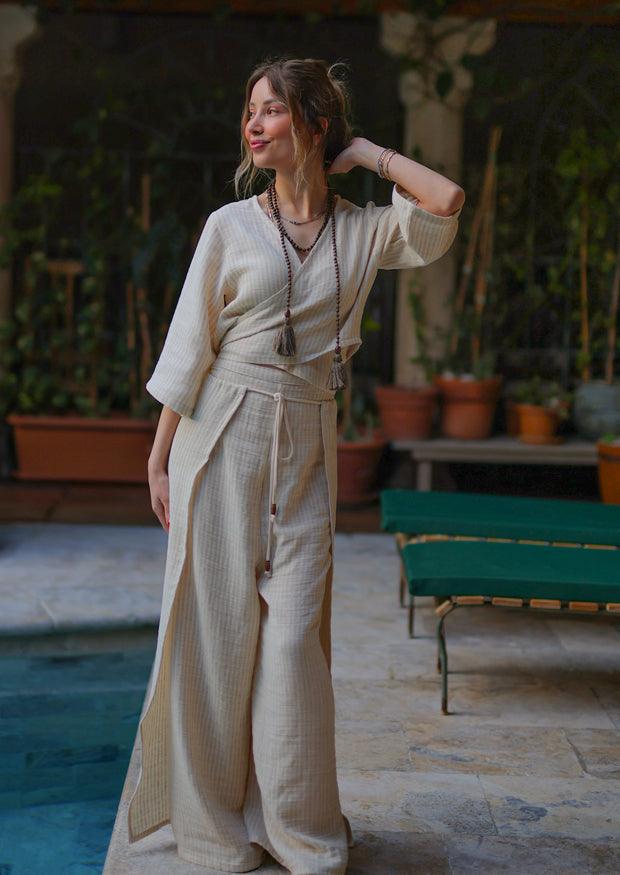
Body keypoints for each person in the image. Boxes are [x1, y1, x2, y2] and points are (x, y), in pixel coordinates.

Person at [125, 57, 465, 874]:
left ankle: (299, 830)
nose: (254, 123)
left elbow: (446, 201)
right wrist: (160, 456)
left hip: (309, 434)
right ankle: (212, 831)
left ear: (313, 123)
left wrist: (368, 154)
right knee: (214, 636)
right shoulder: (229, 226)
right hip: (222, 428)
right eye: (250, 110)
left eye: (272, 109)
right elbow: (190, 344)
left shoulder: (363, 230)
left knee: (293, 649)